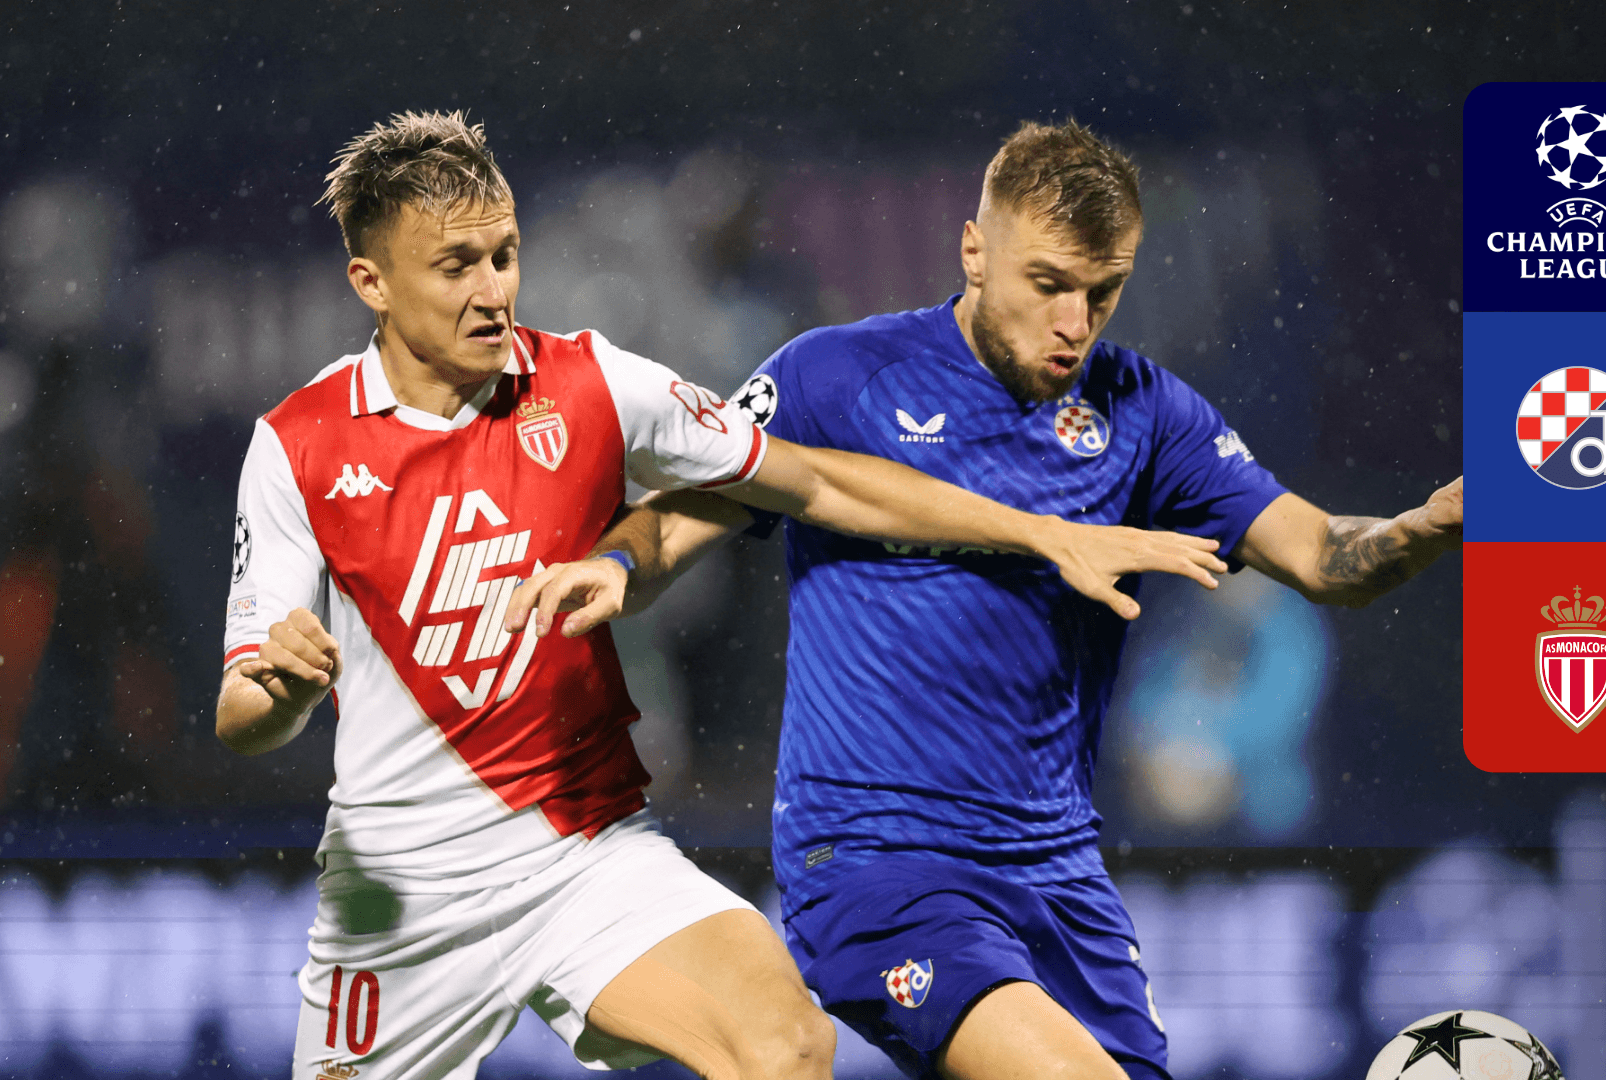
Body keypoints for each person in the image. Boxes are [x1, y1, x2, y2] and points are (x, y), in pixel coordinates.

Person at [216, 111, 1194, 1080]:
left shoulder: (591, 383)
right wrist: (285, 692)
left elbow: (819, 481)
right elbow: (242, 715)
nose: (492, 291)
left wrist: (1041, 533)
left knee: (785, 1041)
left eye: (504, 256)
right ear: (372, 282)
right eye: (455, 267)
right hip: (402, 885)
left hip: (583, 854)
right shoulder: (297, 446)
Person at [510, 120, 1463, 1080]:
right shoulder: (834, 378)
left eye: (1103, 291)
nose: (1074, 323)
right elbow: (678, 518)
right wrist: (621, 564)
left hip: (1061, 880)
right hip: (879, 865)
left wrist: (1421, 527)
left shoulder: (1148, 414)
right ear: (974, 250)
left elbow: (1324, 556)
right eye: (1048, 283)